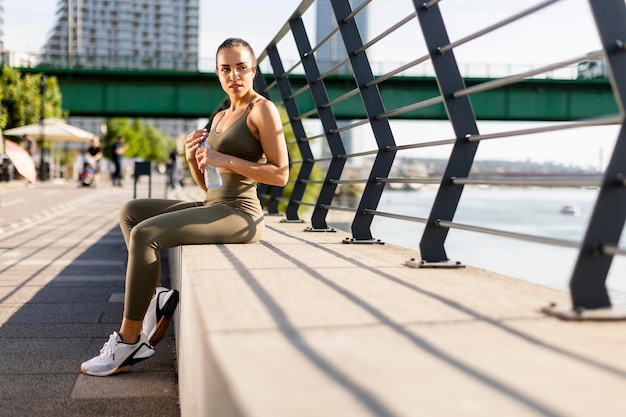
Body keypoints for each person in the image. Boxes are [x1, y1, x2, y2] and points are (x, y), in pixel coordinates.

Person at [80, 37, 289, 376]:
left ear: (253, 70)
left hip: (240, 214)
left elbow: (280, 174)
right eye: (225, 69)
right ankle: (154, 298)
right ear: (218, 73)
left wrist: (226, 159)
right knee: (131, 212)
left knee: (146, 234)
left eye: (241, 67)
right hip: (215, 202)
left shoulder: (262, 109)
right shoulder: (221, 115)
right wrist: (194, 156)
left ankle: (128, 341)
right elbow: (208, 184)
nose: (234, 75)